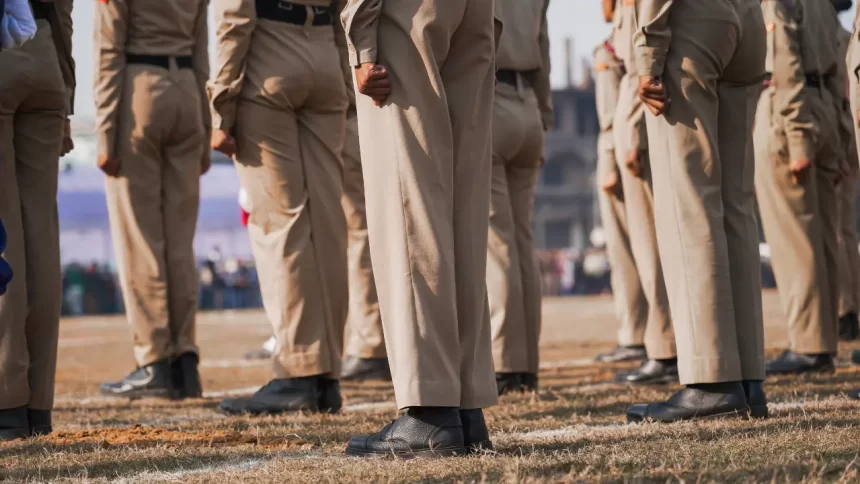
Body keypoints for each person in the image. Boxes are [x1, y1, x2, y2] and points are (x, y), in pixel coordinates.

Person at [341, 0, 497, 457]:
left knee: (410, 205)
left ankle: (430, 409)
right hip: (476, 11)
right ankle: (465, 405)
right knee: (461, 212)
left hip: (405, 14)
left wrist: (361, 39)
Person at [627, 0, 767, 422]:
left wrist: (648, 51)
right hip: (747, 18)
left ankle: (712, 381)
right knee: (735, 205)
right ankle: (746, 378)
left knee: (690, 204)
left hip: (691, 23)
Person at [210, 0, 348, 415]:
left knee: (279, 223)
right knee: (326, 223)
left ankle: (297, 372)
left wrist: (221, 102)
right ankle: (326, 377)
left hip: (268, 55)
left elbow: (234, 12)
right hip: (325, 50)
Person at [96, 0, 209, 400]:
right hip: (188, 93)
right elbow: (201, 50)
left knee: (140, 241)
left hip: (138, 90)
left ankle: (154, 361)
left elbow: (109, 48)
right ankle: (186, 362)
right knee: (180, 243)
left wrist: (106, 132)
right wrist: (207, 126)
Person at [755, 0, 843, 376]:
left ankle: (809, 344)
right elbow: (840, 59)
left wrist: (796, 135)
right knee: (824, 236)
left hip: (790, 109)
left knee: (794, 238)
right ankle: (824, 341)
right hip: (823, 105)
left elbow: (785, 63)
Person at [0, 0, 75, 439]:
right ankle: (37, 404)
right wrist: (66, 94)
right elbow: (63, 13)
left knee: (4, 235)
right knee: (40, 236)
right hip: (46, 54)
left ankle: (6, 396)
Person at [608, 0, 676, 386]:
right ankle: (664, 343)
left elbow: (640, 65)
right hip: (634, 114)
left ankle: (666, 347)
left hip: (639, 117)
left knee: (653, 246)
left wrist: (632, 130)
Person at [487, 0, 552, 396]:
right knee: (522, 241)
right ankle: (527, 364)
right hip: (528, 102)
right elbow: (542, 46)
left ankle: (504, 362)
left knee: (496, 240)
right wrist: (544, 115)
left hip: (490, 98)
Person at [333, 1, 390, 382]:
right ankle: (369, 338)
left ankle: (371, 343)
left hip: (352, 107)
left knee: (361, 232)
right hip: (349, 104)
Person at [592, 0, 650, 366]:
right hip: (628, 146)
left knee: (629, 252)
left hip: (620, 150)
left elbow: (612, 113)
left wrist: (610, 162)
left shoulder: (614, 46)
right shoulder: (622, 38)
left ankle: (637, 335)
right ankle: (642, 333)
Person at [834, 0, 860, 343]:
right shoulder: (843, 33)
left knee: (838, 231)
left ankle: (845, 314)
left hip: (835, 129)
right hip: (841, 127)